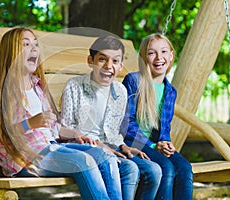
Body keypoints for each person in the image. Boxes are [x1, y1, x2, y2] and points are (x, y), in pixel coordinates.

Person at [0, 27, 125, 200]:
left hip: (51, 147)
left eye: (35, 44)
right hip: (24, 159)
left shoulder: (37, 86)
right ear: (11, 52)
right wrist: (30, 123)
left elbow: (52, 127)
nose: (34, 48)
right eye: (26, 44)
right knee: (84, 161)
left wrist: (75, 133)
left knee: (105, 156)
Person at [61, 35, 162, 200]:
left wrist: (123, 146)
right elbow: (66, 130)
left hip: (112, 148)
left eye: (115, 61)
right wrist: (97, 144)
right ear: (90, 60)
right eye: (102, 59)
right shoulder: (74, 86)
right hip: (84, 149)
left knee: (154, 171)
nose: (108, 66)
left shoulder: (120, 91)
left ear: (121, 66)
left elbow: (113, 131)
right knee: (130, 169)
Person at [121, 33, 193, 200]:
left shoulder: (170, 91)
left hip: (154, 145)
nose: (159, 57)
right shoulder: (133, 81)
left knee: (184, 168)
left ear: (171, 55)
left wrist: (166, 144)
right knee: (166, 169)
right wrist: (153, 147)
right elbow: (126, 124)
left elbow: (165, 128)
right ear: (144, 57)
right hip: (132, 141)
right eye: (152, 52)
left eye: (163, 52)